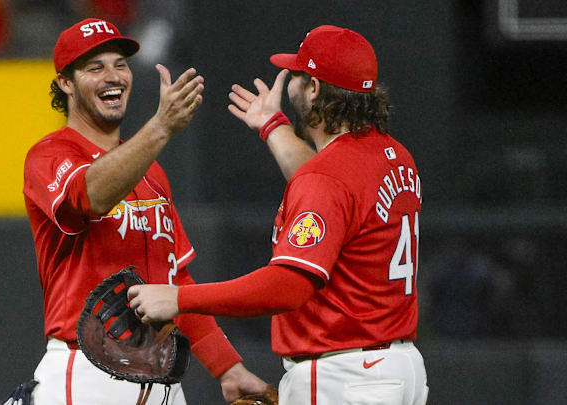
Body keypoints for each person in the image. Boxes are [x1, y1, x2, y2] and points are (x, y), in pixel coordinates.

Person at [128, 25, 429, 405]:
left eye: (298, 75)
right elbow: (330, 186)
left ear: (315, 89)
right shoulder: (395, 157)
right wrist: (273, 125)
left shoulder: (327, 176)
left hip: (344, 375)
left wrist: (180, 298)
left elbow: (288, 285)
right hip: (398, 369)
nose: (291, 84)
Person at [22, 17, 268, 405]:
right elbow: (90, 196)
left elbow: (177, 282)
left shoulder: (151, 171)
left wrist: (227, 368)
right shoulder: (49, 156)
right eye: (95, 67)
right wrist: (161, 127)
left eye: (119, 64)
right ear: (65, 83)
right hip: (89, 369)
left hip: (163, 374)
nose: (112, 76)